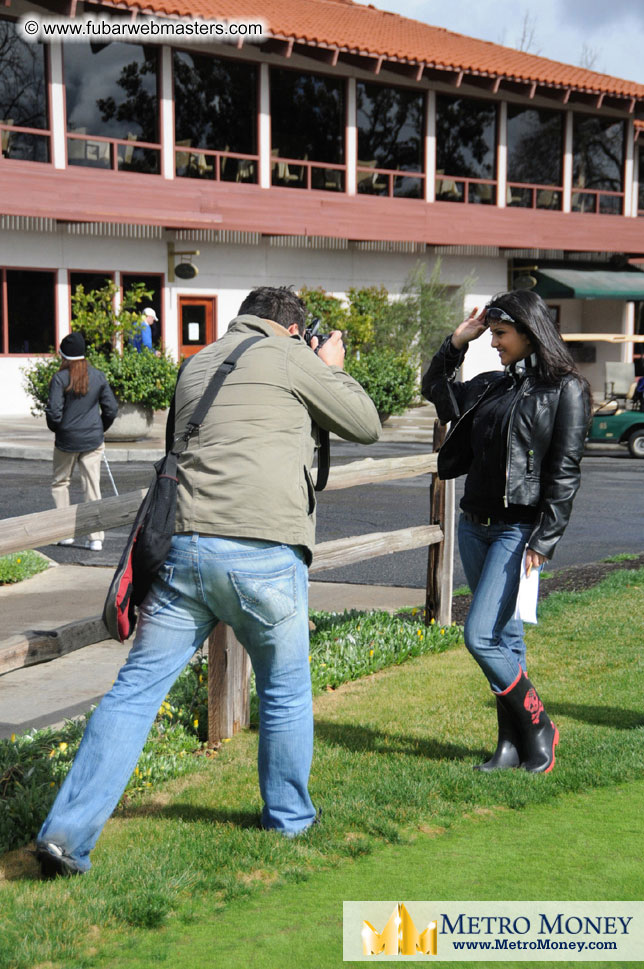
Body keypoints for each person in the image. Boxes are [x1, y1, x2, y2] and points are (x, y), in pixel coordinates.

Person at [36, 286, 381, 877]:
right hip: (264, 554)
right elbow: (366, 424)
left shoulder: (196, 363)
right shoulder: (293, 355)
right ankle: (290, 819)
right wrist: (334, 370)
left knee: (134, 694)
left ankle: (66, 836)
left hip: (185, 550)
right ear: (294, 329)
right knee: (285, 690)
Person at [422, 290, 591, 775]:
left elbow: (565, 471)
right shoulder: (490, 385)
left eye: (500, 334)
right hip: (474, 525)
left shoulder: (566, 390)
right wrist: (456, 343)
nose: (493, 343)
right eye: (491, 334)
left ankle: (540, 727)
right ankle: (510, 747)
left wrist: (546, 538)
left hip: (517, 530)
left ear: (529, 331)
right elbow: (435, 388)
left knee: (479, 637)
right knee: (505, 638)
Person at [45, 332, 118, 553]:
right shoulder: (98, 376)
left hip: (66, 440)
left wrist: (58, 429)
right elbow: (111, 409)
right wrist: (99, 429)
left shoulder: (59, 378)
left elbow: (54, 412)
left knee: (60, 483)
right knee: (92, 487)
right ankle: (96, 538)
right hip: (92, 440)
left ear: (63, 355)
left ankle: (64, 534)